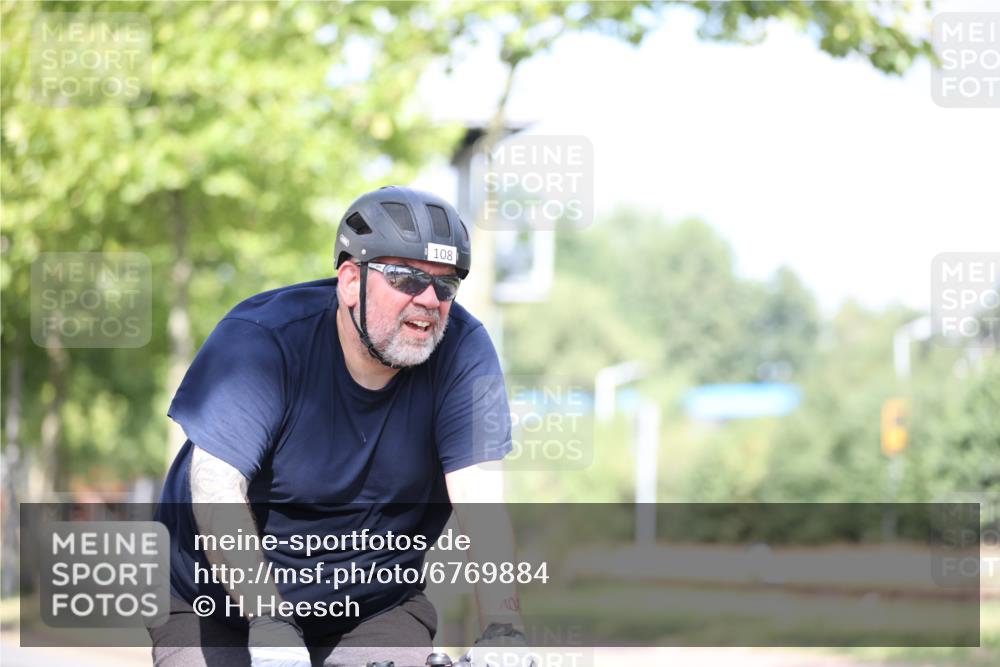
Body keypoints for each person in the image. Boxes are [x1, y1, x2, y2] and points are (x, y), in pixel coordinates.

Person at [151, 186, 528, 667]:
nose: (430, 299)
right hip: (215, 600)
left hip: (370, 606)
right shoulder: (263, 343)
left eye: (445, 285)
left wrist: (504, 629)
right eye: (407, 278)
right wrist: (268, 621)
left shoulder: (464, 354)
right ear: (351, 281)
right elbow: (215, 484)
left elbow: (481, 502)